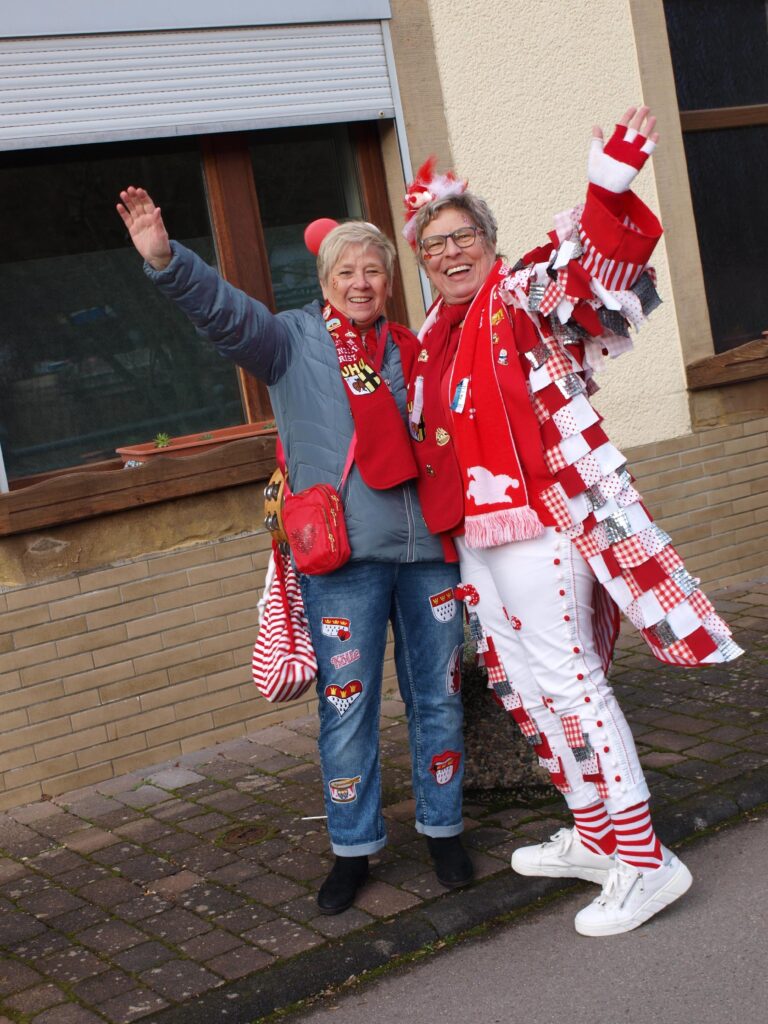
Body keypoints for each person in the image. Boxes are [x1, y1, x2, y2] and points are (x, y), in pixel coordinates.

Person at [400, 106, 743, 937]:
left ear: (487, 240)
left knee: (570, 680)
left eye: (462, 236)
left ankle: (646, 860)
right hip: (475, 536)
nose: (450, 251)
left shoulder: (518, 295)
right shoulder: (435, 332)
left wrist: (606, 190)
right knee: (521, 683)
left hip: (542, 521)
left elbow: (586, 275)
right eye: (434, 244)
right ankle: (594, 834)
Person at [116, 189, 473, 914]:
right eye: (347, 272)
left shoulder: (412, 348)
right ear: (325, 279)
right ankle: (353, 848)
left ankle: (443, 830)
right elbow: (223, 312)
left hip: (430, 553)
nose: (361, 283)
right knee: (347, 711)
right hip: (343, 561)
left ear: (389, 279)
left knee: (439, 698)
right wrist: (167, 260)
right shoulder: (289, 342)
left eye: (373, 269)